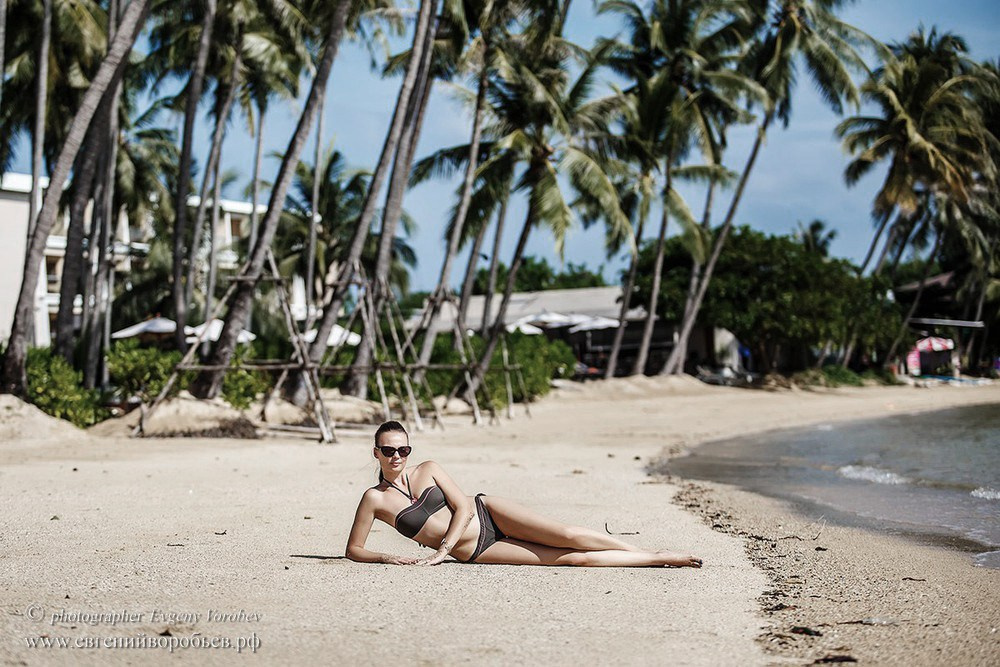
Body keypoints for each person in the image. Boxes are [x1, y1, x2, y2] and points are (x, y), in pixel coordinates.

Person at [345, 421, 703, 568]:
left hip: (489, 513)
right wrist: (385, 558)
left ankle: (648, 550)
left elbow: (465, 506)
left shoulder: (429, 469)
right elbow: (353, 550)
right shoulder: (374, 499)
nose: (396, 457)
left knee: (569, 535)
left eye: (403, 450)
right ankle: (657, 560)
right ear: (375, 452)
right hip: (476, 549)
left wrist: (441, 551)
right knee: (570, 560)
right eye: (389, 450)